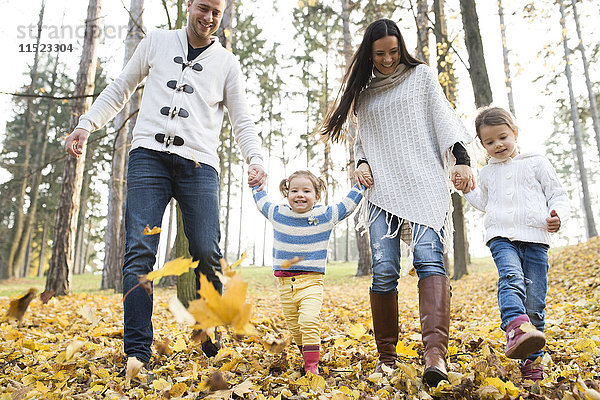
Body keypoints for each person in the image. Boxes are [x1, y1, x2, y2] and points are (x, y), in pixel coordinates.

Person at [64, 0, 267, 371]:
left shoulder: (227, 63)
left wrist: (256, 159)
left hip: (199, 164)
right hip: (148, 159)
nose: (208, 18)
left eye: (216, 13)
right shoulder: (157, 41)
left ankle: (208, 334)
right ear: (189, 5)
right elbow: (120, 87)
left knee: (207, 250)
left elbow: (243, 120)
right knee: (140, 250)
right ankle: (137, 351)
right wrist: (86, 123)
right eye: (202, 8)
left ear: (222, 16)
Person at [320, 19, 474, 386]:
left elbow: (444, 122)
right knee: (385, 269)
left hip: (423, 185)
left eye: (393, 51)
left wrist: (463, 161)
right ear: (368, 54)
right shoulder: (366, 92)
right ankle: (386, 357)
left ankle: (435, 355)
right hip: (382, 192)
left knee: (428, 260)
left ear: (400, 47)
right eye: (379, 54)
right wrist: (360, 164)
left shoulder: (421, 77)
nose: (387, 59)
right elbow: (362, 142)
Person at [453, 106, 568, 381]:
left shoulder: (536, 161)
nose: (498, 145)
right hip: (501, 237)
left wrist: (557, 216)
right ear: (482, 145)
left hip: (536, 239)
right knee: (511, 277)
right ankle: (515, 327)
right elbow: (484, 202)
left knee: (535, 302)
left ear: (515, 133)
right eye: (490, 142)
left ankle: (532, 362)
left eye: (502, 137)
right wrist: (467, 190)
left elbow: (557, 194)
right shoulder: (487, 173)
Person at [250, 170, 363, 374]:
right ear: (287, 193)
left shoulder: (324, 216)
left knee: (309, 321)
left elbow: (346, 206)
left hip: (311, 282)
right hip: (285, 286)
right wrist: (256, 185)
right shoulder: (279, 214)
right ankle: (306, 356)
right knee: (295, 328)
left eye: (306, 191)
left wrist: (360, 186)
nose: (300, 194)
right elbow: (261, 202)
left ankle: (312, 367)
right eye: (294, 190)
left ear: (317, 196)